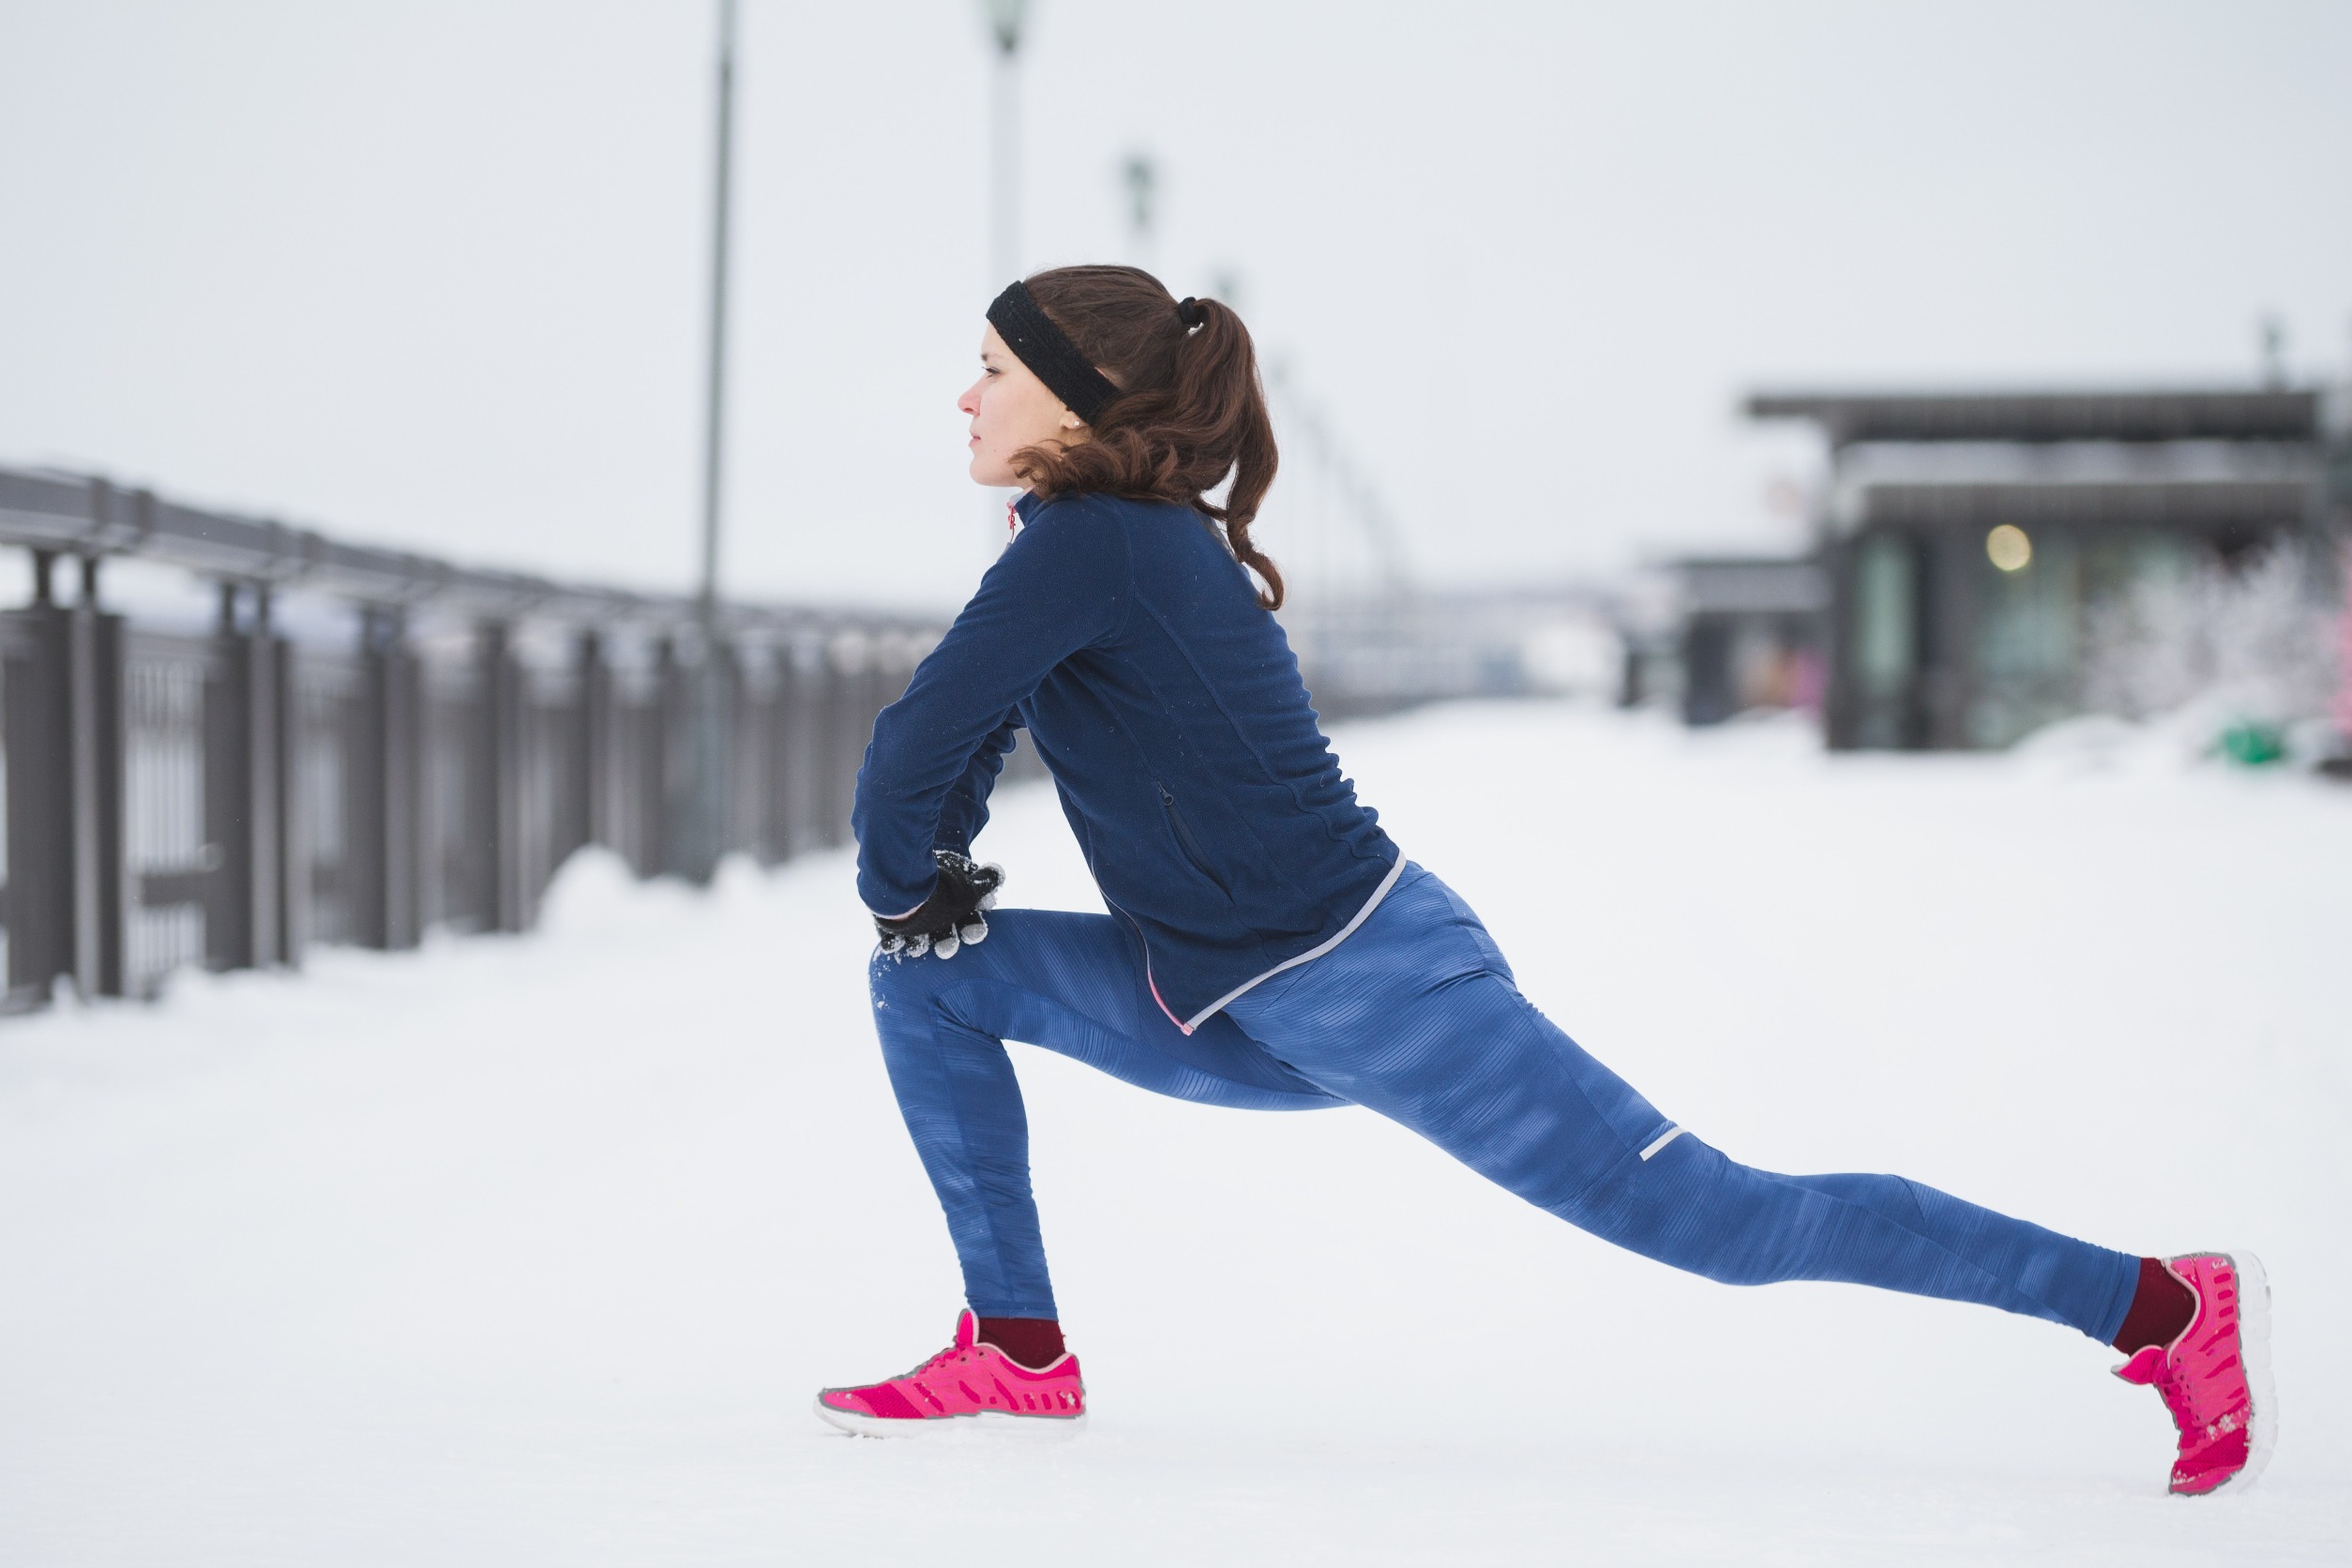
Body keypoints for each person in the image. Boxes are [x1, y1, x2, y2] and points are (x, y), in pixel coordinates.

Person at [812, 265, 2272, 1497]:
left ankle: (2159, 1304)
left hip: (1375, 982)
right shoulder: (1078, 544)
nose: (967, 395)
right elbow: (967, 724)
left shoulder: (1095, 544)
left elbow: (916, 735)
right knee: (926, 983)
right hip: (1216, 988)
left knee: (1726, 1222)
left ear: (1073, 401)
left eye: (992, 367)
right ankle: (1015, 1349)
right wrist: (925, 885)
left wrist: (905, 870)